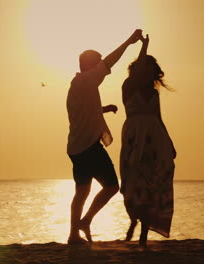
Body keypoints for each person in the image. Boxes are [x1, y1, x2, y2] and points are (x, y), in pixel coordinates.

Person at [66, 29, 143, 244]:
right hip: (89, 147)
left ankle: (73, 234)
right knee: (111, 187)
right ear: (90, 65)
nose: (102, 68)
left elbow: (83, 111)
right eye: (97, 63)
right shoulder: (87, 80)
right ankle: (85, 221)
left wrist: (104, 109)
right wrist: (129, 41)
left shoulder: (77, 84)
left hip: (76, 147)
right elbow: (110, 61)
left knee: (81, 192)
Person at [119, 33, 177, 248]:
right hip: (135, 139)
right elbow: (139, 66)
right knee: (132, 183)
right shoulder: (128, 86)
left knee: (151, 184)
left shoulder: (153, 93)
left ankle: (143, 234)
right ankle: (134, 220)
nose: (148, 73)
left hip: (155, 140)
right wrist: (144, 45)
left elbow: (159, 118)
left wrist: (170, 143)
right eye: (145, 68)